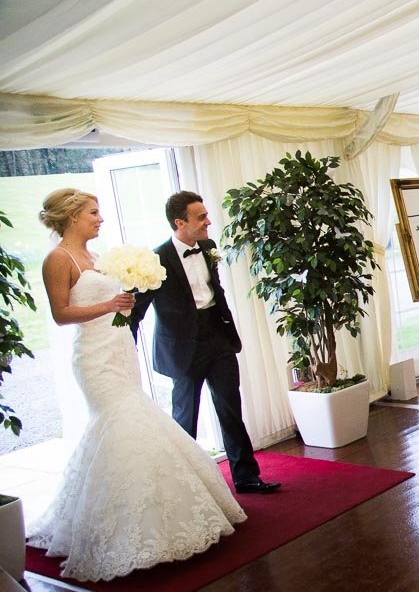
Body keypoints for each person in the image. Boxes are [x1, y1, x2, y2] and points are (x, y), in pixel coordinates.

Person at [27, 189, 246, 582]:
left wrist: (122, 307)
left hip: (118, 348)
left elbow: (121, 305)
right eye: (93, 213)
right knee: (121, 428)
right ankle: (122, 527)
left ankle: (162, 516)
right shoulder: (57, 259)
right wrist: (110, 306)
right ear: (72, 216)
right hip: (94, 358)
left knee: (135, 424)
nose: (100, 218)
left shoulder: (95, 256)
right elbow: (61, 314)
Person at [129, 192, 280, 495]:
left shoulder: (208, 247)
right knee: (185, 419)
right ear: (180, 222)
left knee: (231, 408)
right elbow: (138, 308)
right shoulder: (156, 260)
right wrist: (124, 344)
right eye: (201, 217)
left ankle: (246, 477)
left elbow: (215, 289)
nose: (208, 222)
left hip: (218, 336)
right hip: (183, 348)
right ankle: (185, 488)